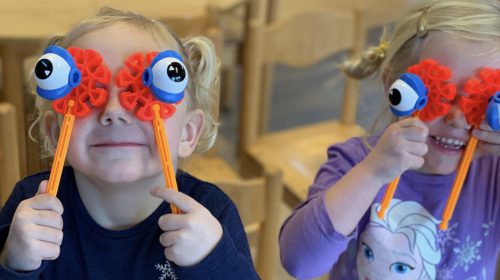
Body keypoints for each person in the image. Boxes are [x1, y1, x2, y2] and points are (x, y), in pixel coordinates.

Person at [0, 7, 258, 280]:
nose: (114, 111)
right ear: (54, 134)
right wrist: (12, 261)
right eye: (87, 93)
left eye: (142, 93)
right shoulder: (31, 206)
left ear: (187, 133)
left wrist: (213, 261)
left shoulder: (212, 213)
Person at [279, 0, 500, 279]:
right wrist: (372, 173)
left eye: (480, 101)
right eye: (438, 94)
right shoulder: (356, 163)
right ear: (393, 87)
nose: (457, 119)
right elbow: (299, 262)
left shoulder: (492, 174)